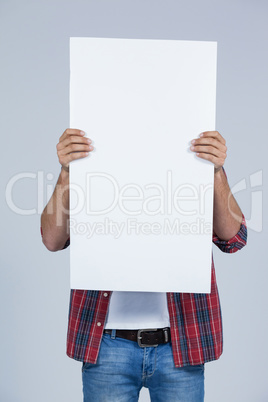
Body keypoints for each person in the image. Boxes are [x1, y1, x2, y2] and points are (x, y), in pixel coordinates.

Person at [41, 128, 247, 402]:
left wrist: (216, 170)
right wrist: (67, 171)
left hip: (180, 343)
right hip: (107, 344)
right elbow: (52, 240)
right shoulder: (93, 162)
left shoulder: (190, 162)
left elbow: (233, 238)